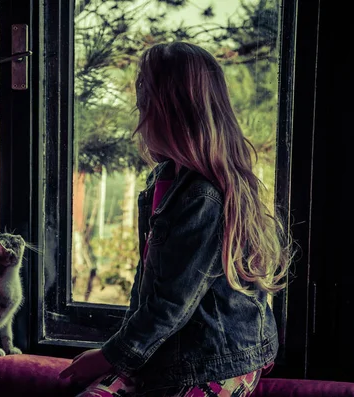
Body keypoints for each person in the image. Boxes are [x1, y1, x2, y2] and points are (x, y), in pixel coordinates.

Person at [59, 41, 292, 397]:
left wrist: (109, 357)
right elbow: (153, 290)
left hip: (217, 361)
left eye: (144, 98)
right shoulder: (163, 180)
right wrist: (123, 357)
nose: (137, 108)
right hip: (170, 349)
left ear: (168, 111)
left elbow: (170, 305)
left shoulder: (204, 197)